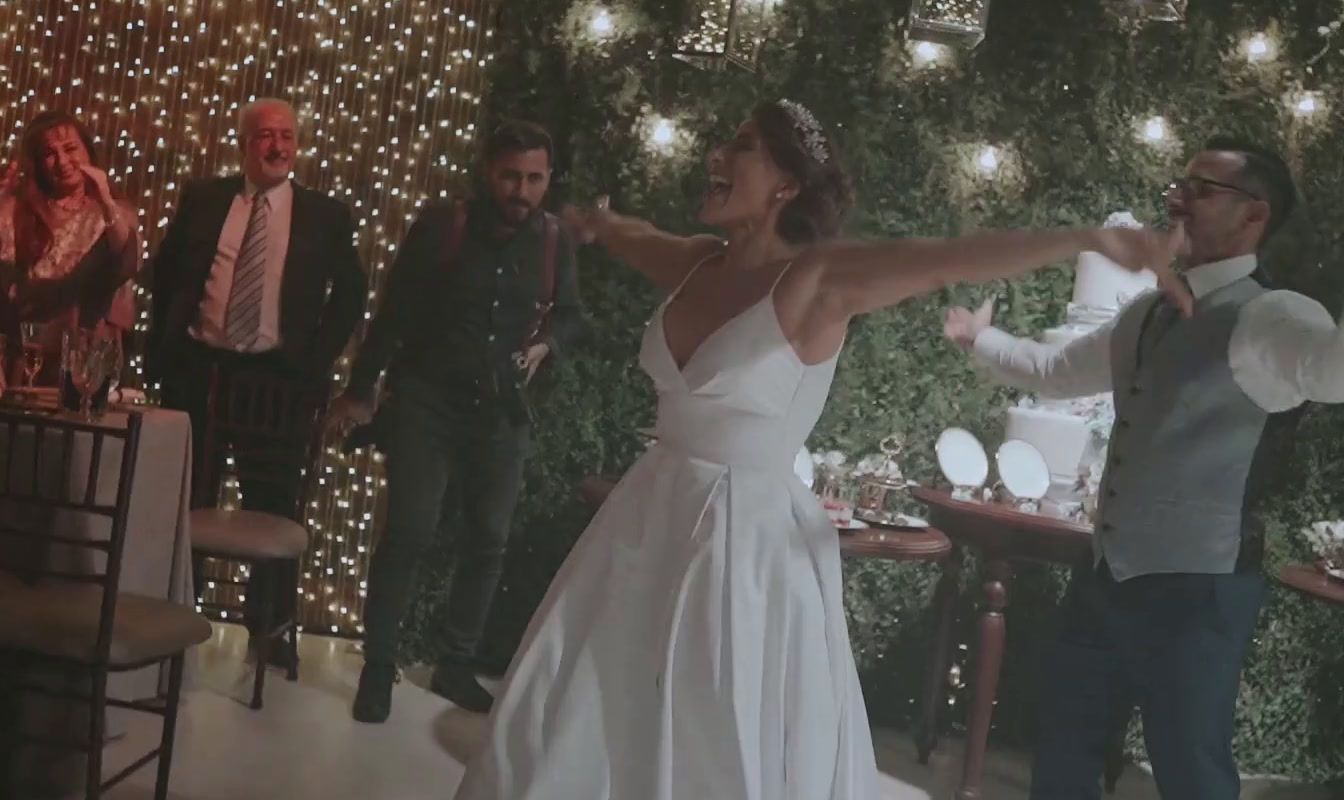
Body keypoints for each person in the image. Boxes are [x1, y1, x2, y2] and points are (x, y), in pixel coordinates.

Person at [452, 99, 1186, 800]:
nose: (718, 153)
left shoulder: (818, 280)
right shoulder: (701, 263)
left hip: (741, 546)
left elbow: (947, 257)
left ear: (785, 185)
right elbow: (633, 235)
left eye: (741, 145)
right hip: (645, 519)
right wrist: (597, 223)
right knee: (584, 708)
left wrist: (1087, 240)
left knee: (711, 726)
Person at [944, 137, 1344, 799]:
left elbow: (1333, 370)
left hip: (1200, 590)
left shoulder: (1273, 316)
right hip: (1109, 576)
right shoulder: (1146, 310)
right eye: (1179, 182)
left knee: (1190, 772)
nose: (1176, 197)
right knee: (1064, 754)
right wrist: (978, 339)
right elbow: (1054, 370)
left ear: (1255, 217)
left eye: (1203, 188)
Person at [326, 120, 582, 722]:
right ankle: (379, 668)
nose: (521, 190)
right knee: (409, 531)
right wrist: (361, 390)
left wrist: (549, 344)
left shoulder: (553, 239)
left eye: (535, 179)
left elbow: (572, 315)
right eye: (511, 176)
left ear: (547, 180)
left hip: (503, 409)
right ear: (489, 172)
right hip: (428, 400)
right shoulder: (445, 226)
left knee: (488, 541)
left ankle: (455, 665)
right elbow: (394, 313)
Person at [147, 97, 366, 663]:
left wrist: (314, 364)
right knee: (185, 500)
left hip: (279, 381)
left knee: (274, 502)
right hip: (200, 372)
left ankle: (268, 633)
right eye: (266, 136)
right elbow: (166, 274)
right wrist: (162, 352)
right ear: (245, 144)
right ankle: (174, 620)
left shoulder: (326, 215)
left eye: (288, 136)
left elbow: (350, 295)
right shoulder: (204, 199)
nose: (278, 147)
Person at [0, 110, 140, 386]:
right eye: (49, 154)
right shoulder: (20, 210)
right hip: (29, 353)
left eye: (70, 148)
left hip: (87, 355)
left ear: (87, 150)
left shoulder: (115, 213)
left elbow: (127, 262)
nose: (62, 161)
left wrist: (105, 199)